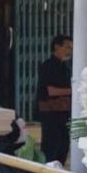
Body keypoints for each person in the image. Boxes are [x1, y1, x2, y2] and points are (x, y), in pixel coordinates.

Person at [35, 34, 73, 164]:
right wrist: (72, 91)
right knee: (51, 146)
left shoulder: (65, 67)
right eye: (67, 47)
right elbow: (51, 91)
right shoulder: (48, 66)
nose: (69, 51)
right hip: (50, 113)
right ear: (57, 47)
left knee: (63, 145)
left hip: (63, 112)